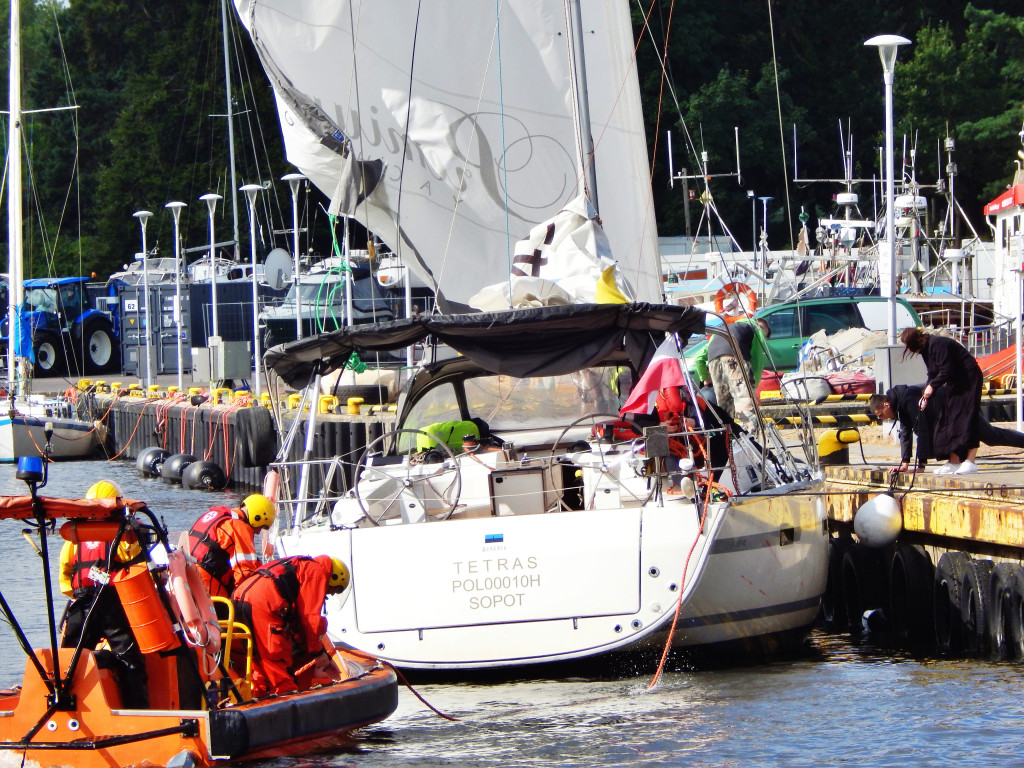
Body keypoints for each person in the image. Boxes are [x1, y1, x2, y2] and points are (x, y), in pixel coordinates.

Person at [59, 480, 149, 709]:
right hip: (111, 605)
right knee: (130, 660)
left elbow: (65, 576)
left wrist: (77, 594)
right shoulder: (118, 533)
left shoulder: (74, 536)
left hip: (80, 605)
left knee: (69, 661)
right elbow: (135, 560)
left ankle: (66, 707)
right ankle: (137, 712)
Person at [231, 554, 350, 697]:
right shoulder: (317, 572)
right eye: (333, 590)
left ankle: (258, 697)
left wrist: (322, 654)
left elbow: (299, 619)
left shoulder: (300, 566)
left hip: (239, 598)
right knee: (277, 659)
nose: (329, 594)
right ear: (333, 579)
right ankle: (287, 699)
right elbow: (310, 618)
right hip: (263, 602)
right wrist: (318, 653)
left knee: (259, 660)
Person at [870, 386, 1024, 474]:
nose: (883, 419)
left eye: (881, 415)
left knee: (991, 436)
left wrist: (921, 466)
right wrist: (904, 464)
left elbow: (921, 429)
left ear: (886, 405)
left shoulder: (907, 398)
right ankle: (955, 463)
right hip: (950, 414)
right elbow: (905, 433)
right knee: (989, 437)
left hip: (960, 406)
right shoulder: (900, 405)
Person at [900, 328, 983, 474]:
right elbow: (932, 373)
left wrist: (932, 387)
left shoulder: (937, 344)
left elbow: (946, 370)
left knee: (967, 417)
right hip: (955, 381)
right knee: (949, 417)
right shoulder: (925, 350)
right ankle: (954, 461)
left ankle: (970, 461)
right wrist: (925, 396)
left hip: (969, 378)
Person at [187, 494, 276, 600]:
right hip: (206, 585)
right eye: (261, 527)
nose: (258, 532)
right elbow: (245, 573)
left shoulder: (215, 515)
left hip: (185, 575)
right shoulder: (239, 527)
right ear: (257, 518)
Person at [693, 317, 770, 433]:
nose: (764, 335)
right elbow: (757, 361)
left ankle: (727, 439)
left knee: (724, 407)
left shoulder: (723, 329)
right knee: (744, 401)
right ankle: (750, 437)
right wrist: (752, 390)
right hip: (734, 358)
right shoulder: (756, 330)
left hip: (713, 360)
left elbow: (698, 358)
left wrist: (705, 378)